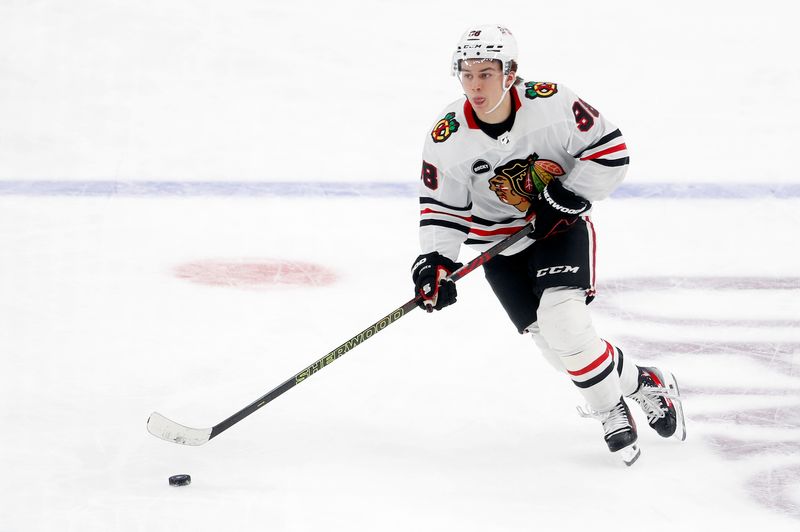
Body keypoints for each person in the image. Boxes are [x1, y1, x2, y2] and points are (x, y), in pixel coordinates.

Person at [410, 24, 686, 466]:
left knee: (565, 324)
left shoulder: (552, 102)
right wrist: (436, 262)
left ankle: (608, 409)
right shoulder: (447, 136)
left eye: (486, 73)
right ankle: (640, 381)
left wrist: (571, 195)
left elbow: (610, 150)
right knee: (558, 351)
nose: (475, 85)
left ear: (511, 72)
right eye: (467, 74)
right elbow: (442, 208)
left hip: (557, 232)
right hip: (498, 248)